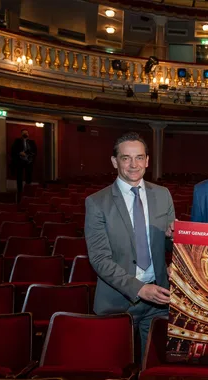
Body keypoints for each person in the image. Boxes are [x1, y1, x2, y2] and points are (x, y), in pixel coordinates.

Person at [84, 132, 175, 358]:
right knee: (116, 371)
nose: (133, 165)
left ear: (147, 160)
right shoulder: (97, 202)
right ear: (115, 161)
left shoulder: (163, 195)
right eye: (126, 158)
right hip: (118, 300)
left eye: (139, 157)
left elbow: (170, 248)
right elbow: (99, 259)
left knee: (153, 369)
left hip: (160, 300)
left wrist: (173, 240)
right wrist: (139, 289)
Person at [11, 129, 37, 199]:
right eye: (23, 133)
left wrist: (29, 155)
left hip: (29, 161)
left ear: (28, 134)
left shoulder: (32, 142)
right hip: (20, 161)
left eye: (26, 133)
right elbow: (13, 149)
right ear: (21, 134)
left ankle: (28, 188)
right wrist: (20, 153)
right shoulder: (17, 141)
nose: (25, 134)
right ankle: (19, 190)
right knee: (19, 175)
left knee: (29, 175)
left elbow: (35, 150)